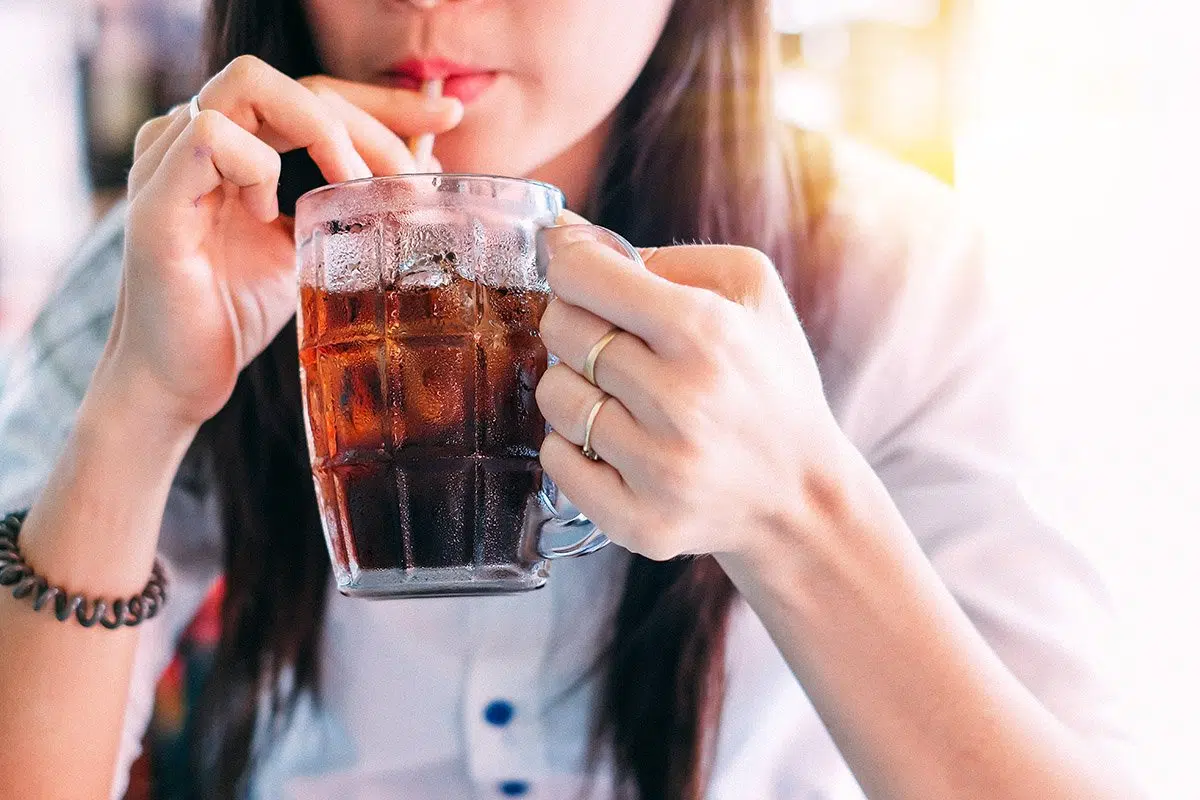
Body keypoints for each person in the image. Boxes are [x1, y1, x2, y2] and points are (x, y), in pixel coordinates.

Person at [0, 1, 1143, 798]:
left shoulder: (893, 275)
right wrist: (140, 406)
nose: (425, 2)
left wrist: (798, 514)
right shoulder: (182, 251)